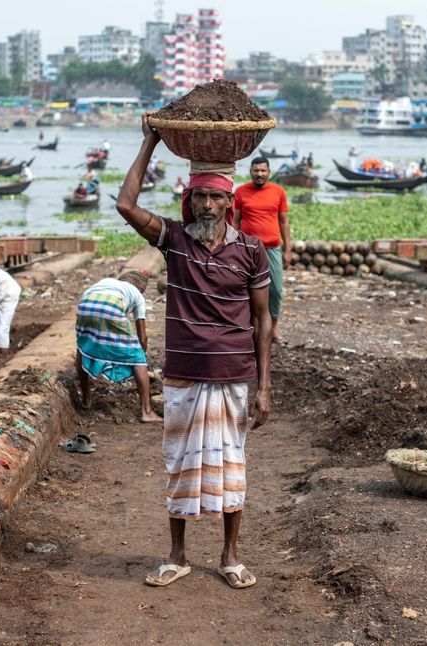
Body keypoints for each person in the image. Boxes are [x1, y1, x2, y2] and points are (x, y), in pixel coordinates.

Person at [116, 115, 271, 590]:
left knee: (231, 466)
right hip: (183, 372)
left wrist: (264, 385)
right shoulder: (175, 241)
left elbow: (263, 320)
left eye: (216, 197)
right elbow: (125, 204)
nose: (207, 205)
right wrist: (149, 143)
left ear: (230, 202)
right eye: (199, 196)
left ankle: (229, 555)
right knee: (180, 463)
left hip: (233, 372)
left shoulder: (251, 250)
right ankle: (177, 554)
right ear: (190, 200)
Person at [75, 270, 162, 423]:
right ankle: (147, 412)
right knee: (138, 358)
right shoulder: (138, 295)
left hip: (85, 304)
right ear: (141, 288)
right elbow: (142, 335)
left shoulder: (107, 282)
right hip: (111, 306)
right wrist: (140, 356)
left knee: (83, 347)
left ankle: (86, 399)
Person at [234, 156, 290, 344]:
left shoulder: (278, 191)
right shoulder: (241, 192)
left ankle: (273, 328)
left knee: (275, 289)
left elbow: (283, 221)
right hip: (246, 248)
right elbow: (235, 221)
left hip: (272, 247)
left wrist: (287, 249)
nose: (259, 174)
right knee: (245, 289)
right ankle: (248, 327)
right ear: (250, 171)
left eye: (263, 170)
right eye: (256, 170)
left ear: (269, 172)